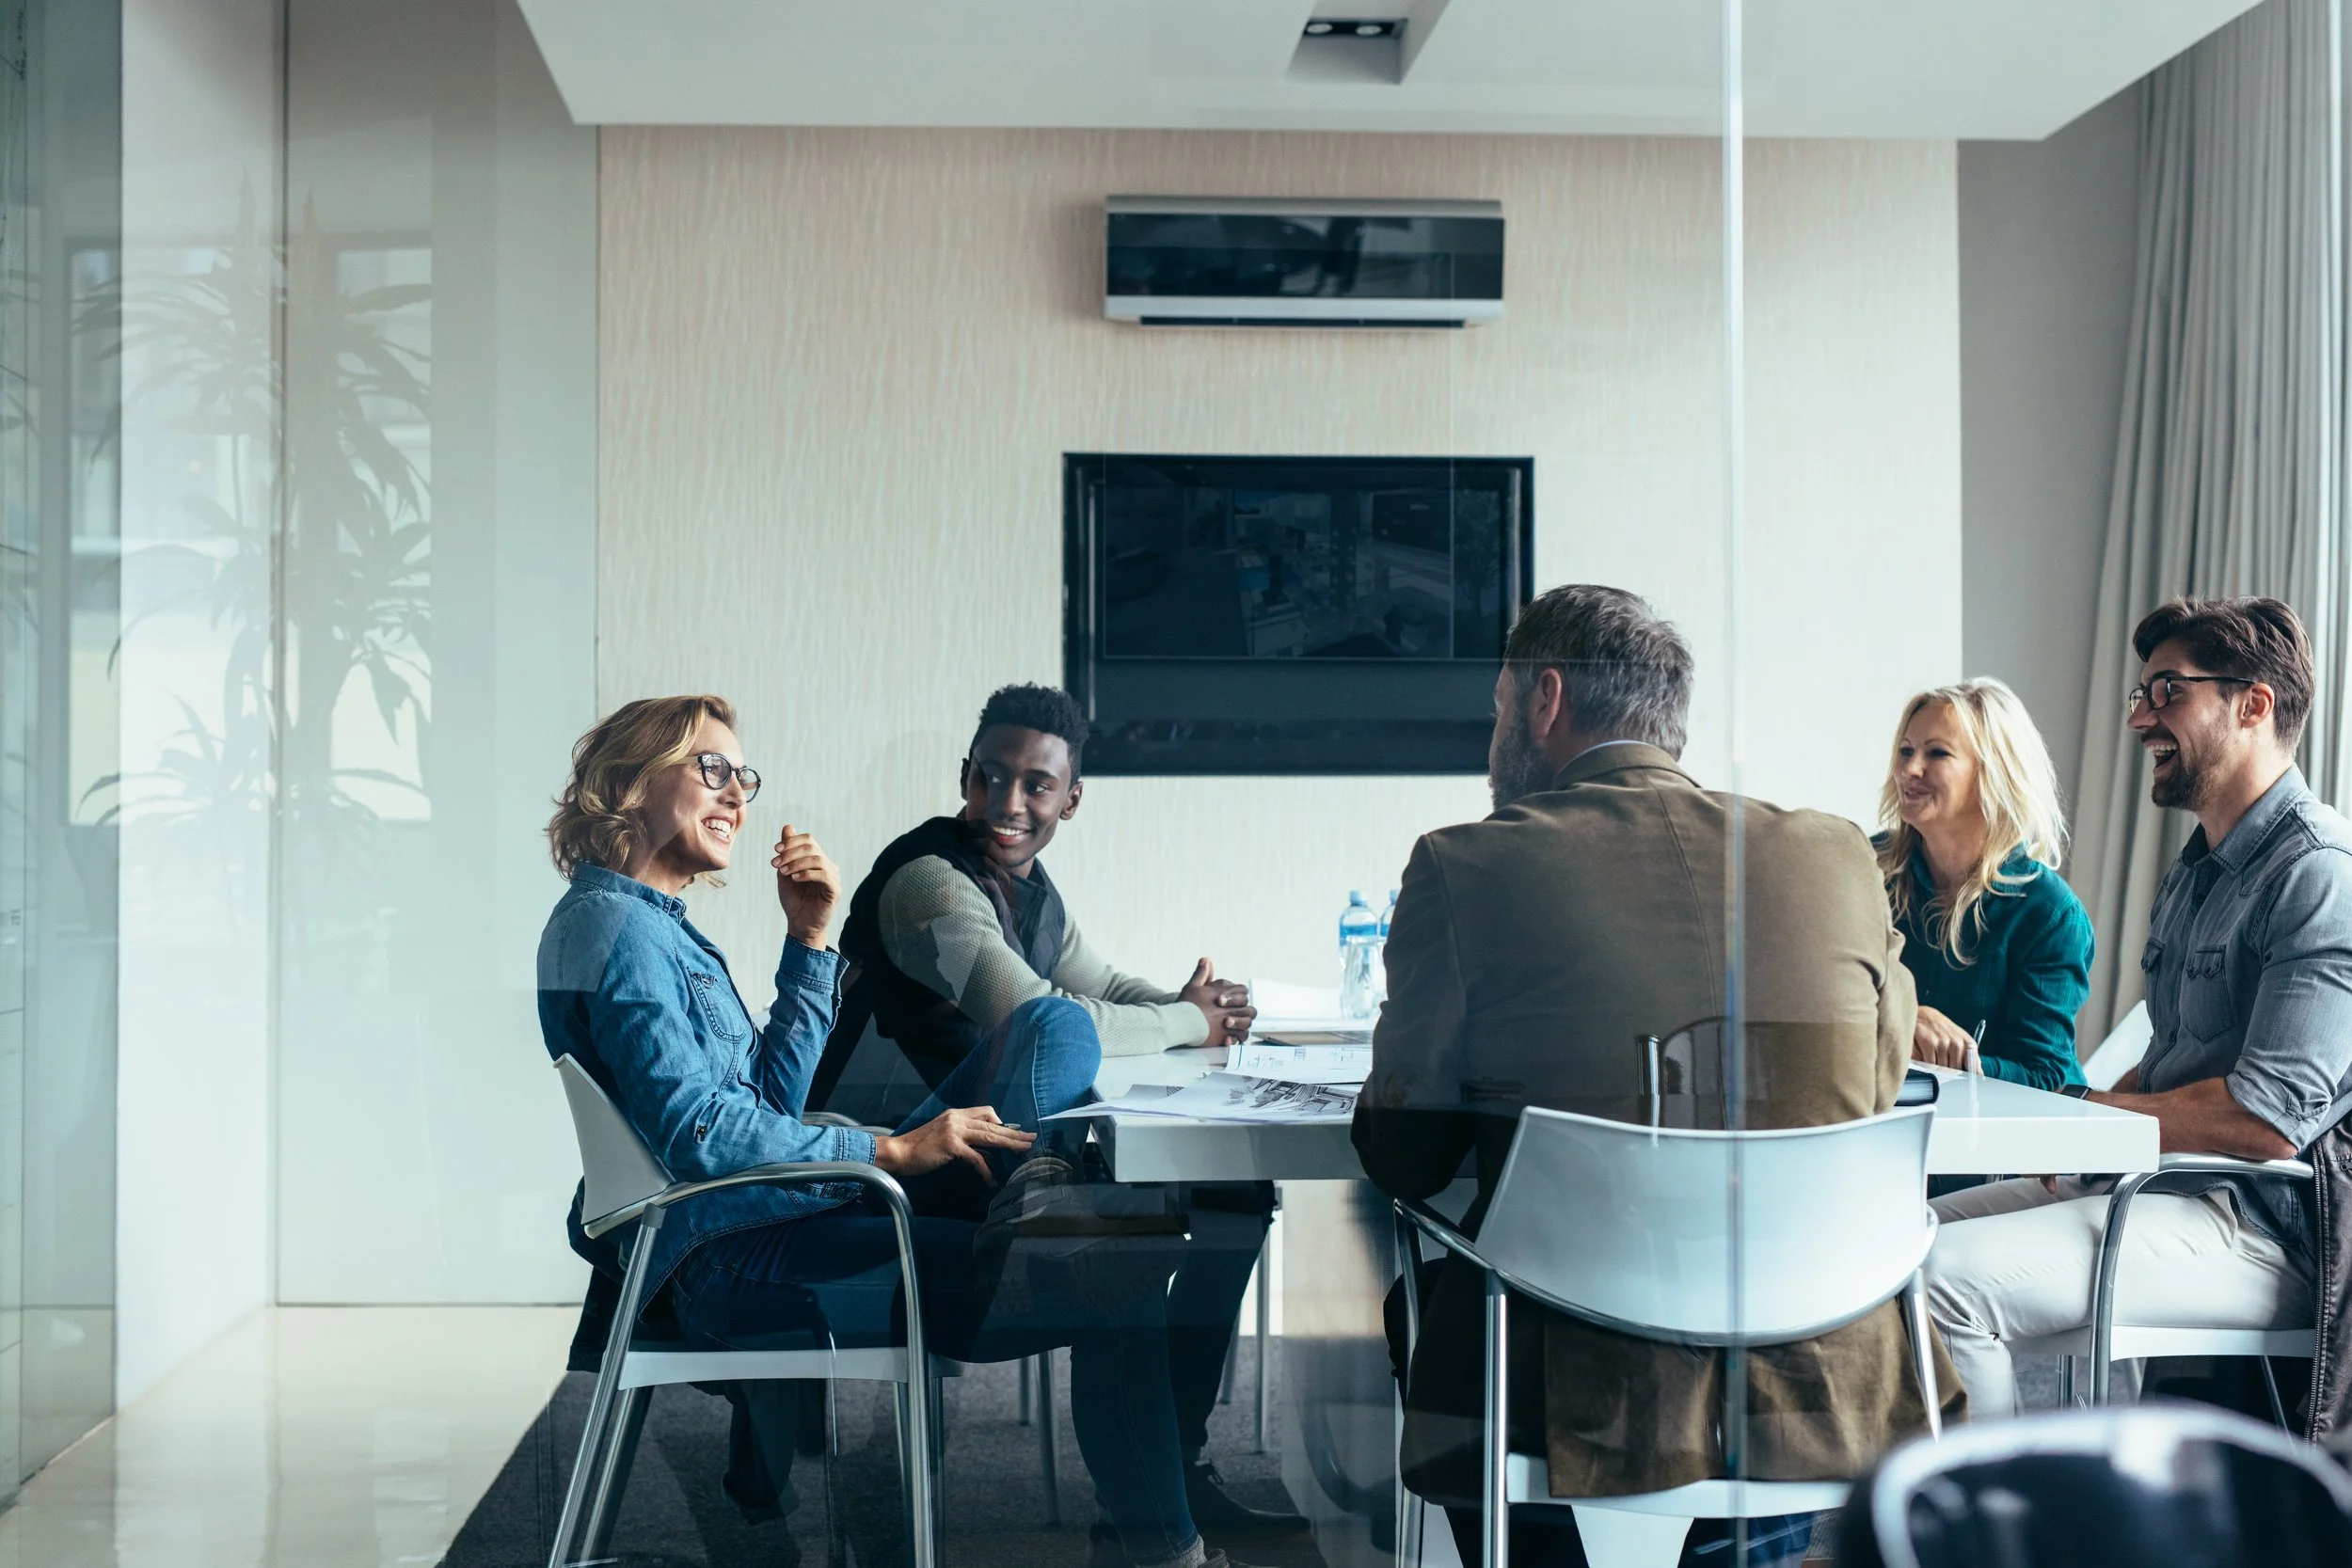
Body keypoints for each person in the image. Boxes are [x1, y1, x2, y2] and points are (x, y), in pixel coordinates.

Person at [536, 694, 1271, 1568]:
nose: (738, 793)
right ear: (627, 780)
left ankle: (1041, 1207)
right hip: (745, 1259)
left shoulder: (644, 927)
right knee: (1115, 1273)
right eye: (713, 768)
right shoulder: (618, 931)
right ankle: (1161, 1547)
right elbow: (703, 1133)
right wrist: (884, 1150)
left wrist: (808, 938)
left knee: (1057, 1037)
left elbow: (764, 1104)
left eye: (744, 775)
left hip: (770, 1220)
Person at [1354, 585, 1959, 1568]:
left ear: (1545, 698)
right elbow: (1872, 1081)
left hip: (1573, 1379)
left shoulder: (1466, 864)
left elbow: (1406, 1152)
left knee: (1423, 1293)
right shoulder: (1837, 852)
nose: (1495, 729)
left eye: (1500, 705)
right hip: (1823, 1359)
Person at [815, 682, 1299, 1538]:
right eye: (990, 778)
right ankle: (1059, 1233)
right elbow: (1040, 1012)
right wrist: (1189, 1022)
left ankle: (1171, 1469)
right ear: (964, 777)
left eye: (1035, 784)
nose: (1008, 802)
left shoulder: (1034, 889)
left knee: (1233, 1192)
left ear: (1070, 800)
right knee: (1061, 1069)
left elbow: (1104, 987)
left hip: (996, 1160)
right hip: (893, 1163)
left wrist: (1197, 1010)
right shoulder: (931, 881)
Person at [1926, 596, 2352, 1424]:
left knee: (1945, 1281)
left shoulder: (2320, 877)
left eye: (2166, 692)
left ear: (2253, 704)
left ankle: (1987, 1533)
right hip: (2167, 1189)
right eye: (2140, 694)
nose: (2138, 719)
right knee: (1888, 1247)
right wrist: (2080, 1137)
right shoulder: (2195, 873)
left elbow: (2263, 1120)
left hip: (2264, 1228)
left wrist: (2086, 1117)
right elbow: (2170, 1057)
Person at [1874, 679, 2094, 1090]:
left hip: (2002, 1138)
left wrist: (1944, 1060)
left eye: (1936, 753)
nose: (1909, 769)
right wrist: (1905, 1017)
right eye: (1906, 750)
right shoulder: (1866, 870)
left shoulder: (2050, 914)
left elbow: (2045, 1076)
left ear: (1995, 773)